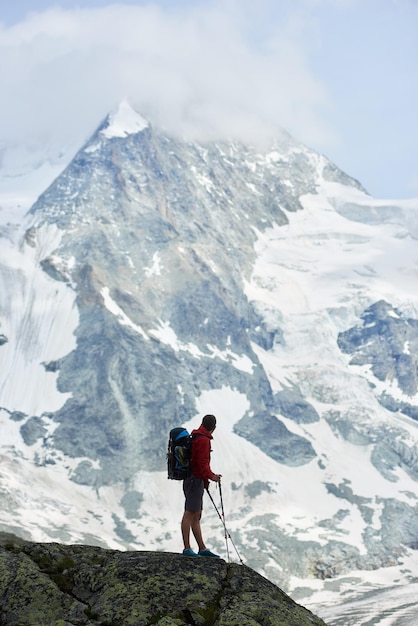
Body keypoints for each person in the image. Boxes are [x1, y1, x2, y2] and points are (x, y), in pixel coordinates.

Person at [181, 413, 222, 557]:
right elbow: (202, 464)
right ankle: (187, 548)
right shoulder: (204, 440)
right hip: (195, 480)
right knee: (189, 513)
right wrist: (212, 477)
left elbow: (198, 463)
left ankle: (202, 548)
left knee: (196, 515)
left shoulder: (196, 436)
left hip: (193, 479)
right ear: (214, 428)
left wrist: (205, 480)